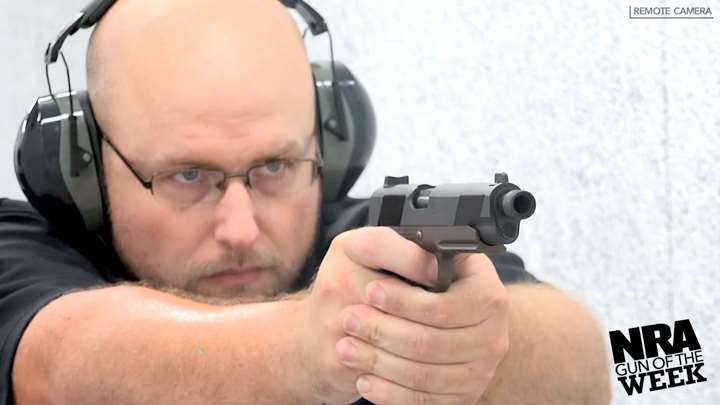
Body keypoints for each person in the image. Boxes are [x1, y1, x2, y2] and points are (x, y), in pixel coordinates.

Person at [1, 0, 610, 404]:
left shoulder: (375, 239)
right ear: (82, 166)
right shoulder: (19, 251)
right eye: (187, 176)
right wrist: (307, 345)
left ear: (332, 144)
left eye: (275, 167)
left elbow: (581, 360)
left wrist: (480, 341)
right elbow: (60, 363)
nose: (240, 229)